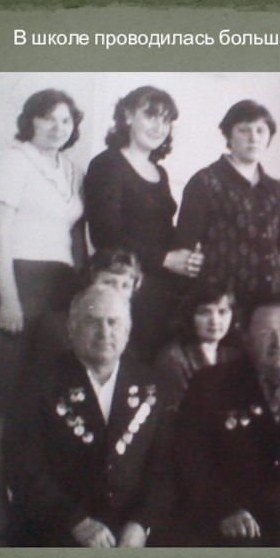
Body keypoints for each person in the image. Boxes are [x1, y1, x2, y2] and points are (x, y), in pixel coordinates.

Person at [0, 89, 85, 545]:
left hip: (61, 289)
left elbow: (76, 236)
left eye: (65, 120)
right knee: (4, 404)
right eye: (48, 118)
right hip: (20, 285)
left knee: (43, 401)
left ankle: (34, 503)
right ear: (31, 121)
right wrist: (9, 299)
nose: (57, 127)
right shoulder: (12, 159)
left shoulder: (71, 168)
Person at [4, 285, 174, 547]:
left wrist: (141, 523)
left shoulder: (153, 384)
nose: (104, 332)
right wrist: (77, 523)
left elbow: (164, 467)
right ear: (72, 329)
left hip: (132, 534)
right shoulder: (38, 383)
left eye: (113, 322)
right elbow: (23, 466)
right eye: (93, 322)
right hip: (57, 531)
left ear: (127, 331)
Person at [173, 298, 280, 547]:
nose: (279, 343)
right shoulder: (210, 384)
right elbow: (190, 458)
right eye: (267, 334)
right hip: (233, 528)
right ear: (247, 339)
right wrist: (223, 509)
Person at [84, 86, 199, 362]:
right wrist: (165, 259)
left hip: (162, 285)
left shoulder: (160, 171)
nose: (159, 127)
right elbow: (105, 236)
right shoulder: (107, 164)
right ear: (127, 116)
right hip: (124, 284)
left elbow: (163, 230)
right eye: (150, 115)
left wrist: (188, 256)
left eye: (166, 120)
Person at [173, 100, 280, 308]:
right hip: (219, 300)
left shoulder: (274, 189)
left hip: (265, 298)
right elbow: (185, 245)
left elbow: (277, 244)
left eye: (260, 130)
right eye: (244, 130)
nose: (253, 138)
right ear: (228, 136)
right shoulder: (204, 182)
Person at [154, 283, 242, 409]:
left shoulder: (232, 355)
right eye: (205, 312)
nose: (214, 321)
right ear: (190, 315)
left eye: (222, 312)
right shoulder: (174, 359)